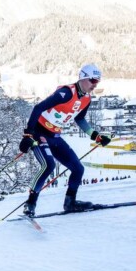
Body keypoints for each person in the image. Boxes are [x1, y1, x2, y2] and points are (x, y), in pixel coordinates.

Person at [19, 64, 112, 216]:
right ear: (83, 78)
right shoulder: (66, 93)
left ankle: (70, 203)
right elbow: (38, 108)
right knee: (48, 165)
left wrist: (95, 136)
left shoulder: (87, 99)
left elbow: (80, 119)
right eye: (93, 81)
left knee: (78, 168)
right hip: (39, 132)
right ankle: (30, 203)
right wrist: (28, 135)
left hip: (55, 136)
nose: (95, 85)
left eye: (98, 82)